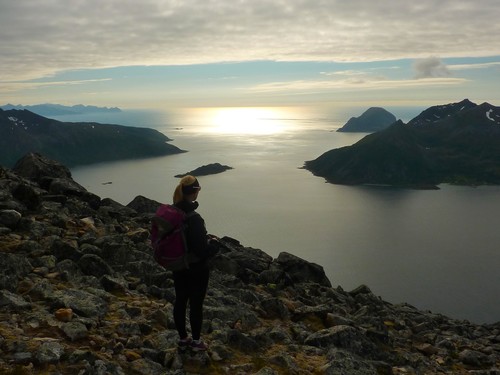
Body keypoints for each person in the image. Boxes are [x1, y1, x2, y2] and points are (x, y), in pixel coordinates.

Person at [171, 175, 219, 352]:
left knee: (181, 300)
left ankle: (183, 339)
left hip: (179, 265)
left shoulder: (174, 212)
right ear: (195, 192)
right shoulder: (194, 218)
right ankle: (197, 342)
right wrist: (214, 245)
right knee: (196, 304)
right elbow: (201, 251)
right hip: (196, 268)